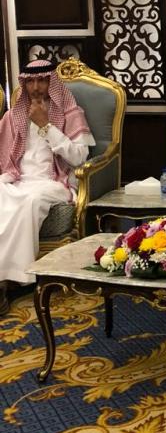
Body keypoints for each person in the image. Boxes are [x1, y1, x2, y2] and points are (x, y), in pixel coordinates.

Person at [0, 59, 94, 314]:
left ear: (51, 82)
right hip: (17, 180)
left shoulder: (70, 113)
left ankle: (11, 279)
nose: (36, 87)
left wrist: (46, 126)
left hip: (54, 183)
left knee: (30, 202)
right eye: (30, 81)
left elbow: (79, 157)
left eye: (42, 80)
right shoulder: (13, 116)